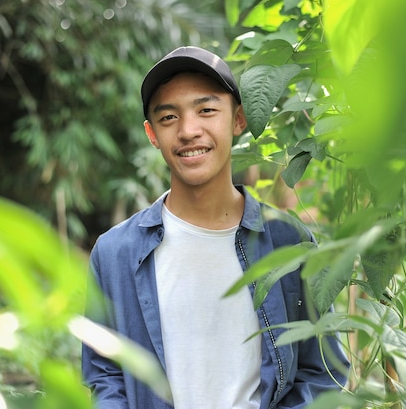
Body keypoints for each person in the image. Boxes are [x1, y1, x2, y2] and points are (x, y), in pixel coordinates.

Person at [81, 46, 349, 409]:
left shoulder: (292, 243)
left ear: (238, 119)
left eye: (206, 110)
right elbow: (105, 375)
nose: (189, 131)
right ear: (152, 133)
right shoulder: (115, 253)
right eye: (169, 117)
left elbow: (322, 374)